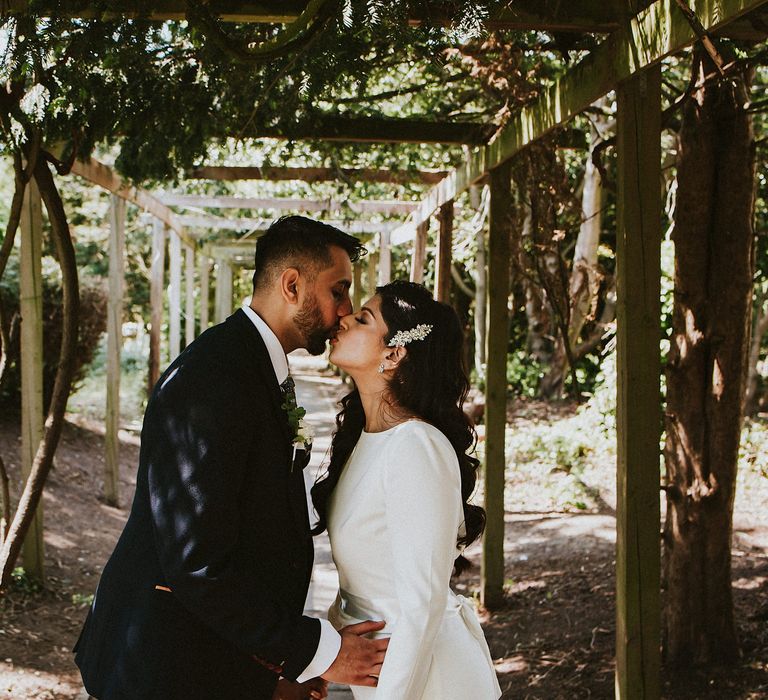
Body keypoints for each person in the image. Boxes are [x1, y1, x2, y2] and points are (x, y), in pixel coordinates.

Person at [74, 216, 388, 700]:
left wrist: (272, 672)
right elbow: (198, 562)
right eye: (339, 290)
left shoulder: (251, 363)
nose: (345, 311)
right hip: (161, 666)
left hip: (210, 656)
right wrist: (316, 652)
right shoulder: (215, 379)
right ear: (291, 284)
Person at [312, 280, 502, 700]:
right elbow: (369, 582)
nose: (343, 318)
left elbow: (421, 606)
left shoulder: (416, 446)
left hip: (427, 679)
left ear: (394, 353)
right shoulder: (367, 439)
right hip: (386, 672)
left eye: (362, 318)